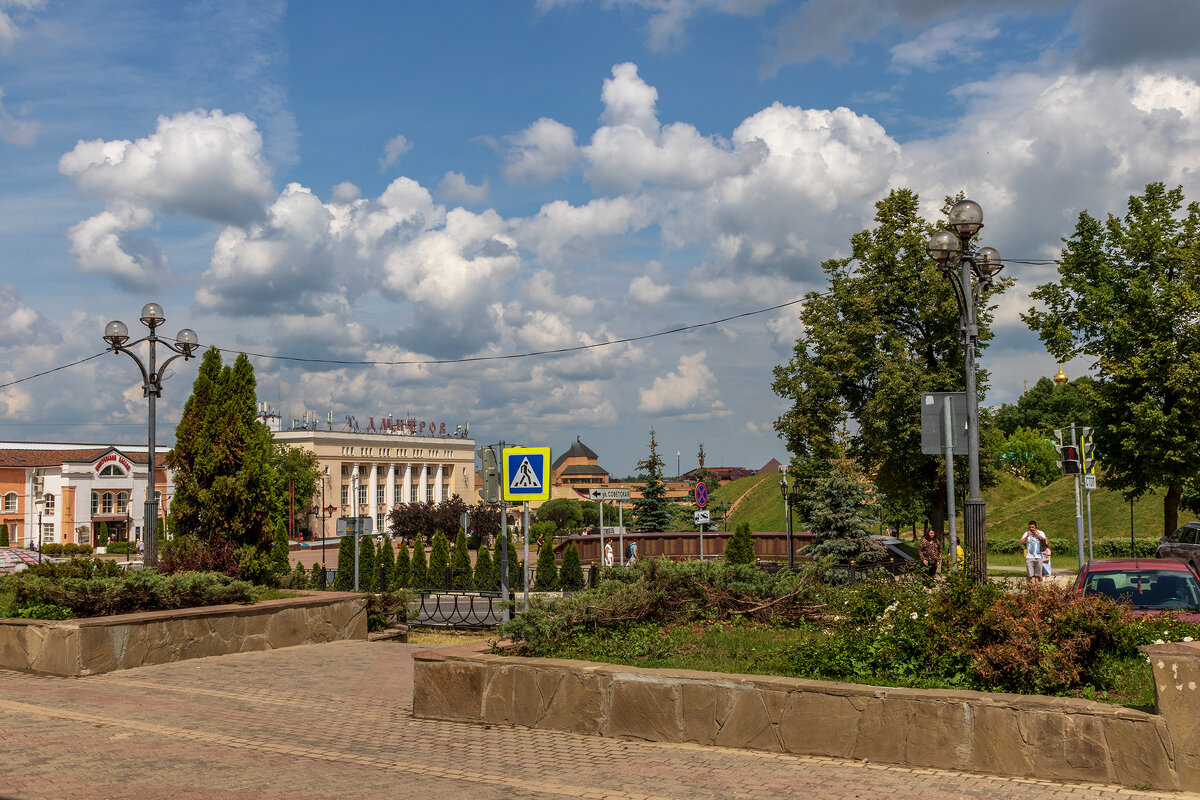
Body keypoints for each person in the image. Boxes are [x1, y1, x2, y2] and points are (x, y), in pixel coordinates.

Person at [1020, 520, 1048, 586]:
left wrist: (1038, 535)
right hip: (1030, 557)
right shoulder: (1026, 533)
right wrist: (1027, 537)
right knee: (1030, 575)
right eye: (1030, 527)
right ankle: (1030, 590)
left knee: (1038, 576)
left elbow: (1046, 542)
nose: (1031, 529)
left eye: (1032, 527)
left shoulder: (1041, 532)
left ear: (1035, 527)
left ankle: (1037, 591)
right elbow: (1021, 542)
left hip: (1038, 557)